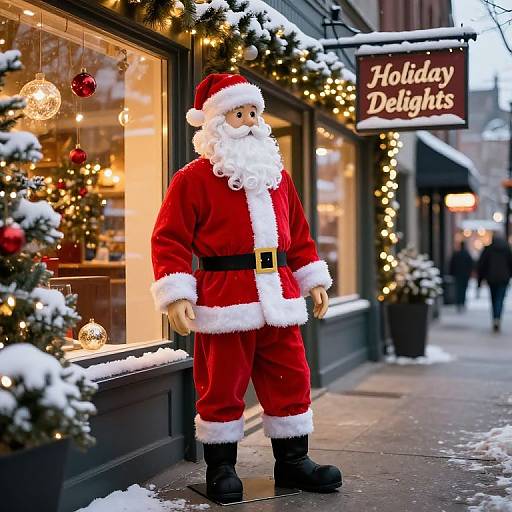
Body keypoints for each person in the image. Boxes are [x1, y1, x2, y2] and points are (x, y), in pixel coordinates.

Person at [150, 73, 342, 503]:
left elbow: (299, 231)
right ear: (218, 122)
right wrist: (178, 292)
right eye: (240, 113)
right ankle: (221, 467)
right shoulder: (192, 179)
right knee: (222, 383)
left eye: (255, 112)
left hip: (280, 293)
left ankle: (293, 462)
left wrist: (312, 278)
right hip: (225, 296)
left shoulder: (277, 176)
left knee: (291, 376)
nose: (251, 121)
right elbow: (169, 238)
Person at [477, 234, 512, 332]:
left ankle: (495, 318)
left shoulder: (488, 249)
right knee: (500, 299)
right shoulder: (507, 249)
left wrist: (480, 281)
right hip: (504, 278)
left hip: (491, 278)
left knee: (494, 299)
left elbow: (481, 265)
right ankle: (497, 317)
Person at [448, 241, 474, 311]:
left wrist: (451, 273)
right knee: (463, 289)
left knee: (458, 289)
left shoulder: (456, 254)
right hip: (465, 275)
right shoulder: (467, 254)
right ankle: (462, 302)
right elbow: (471, 265)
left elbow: (452, 264)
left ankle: (459, 302)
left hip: (458, 274)